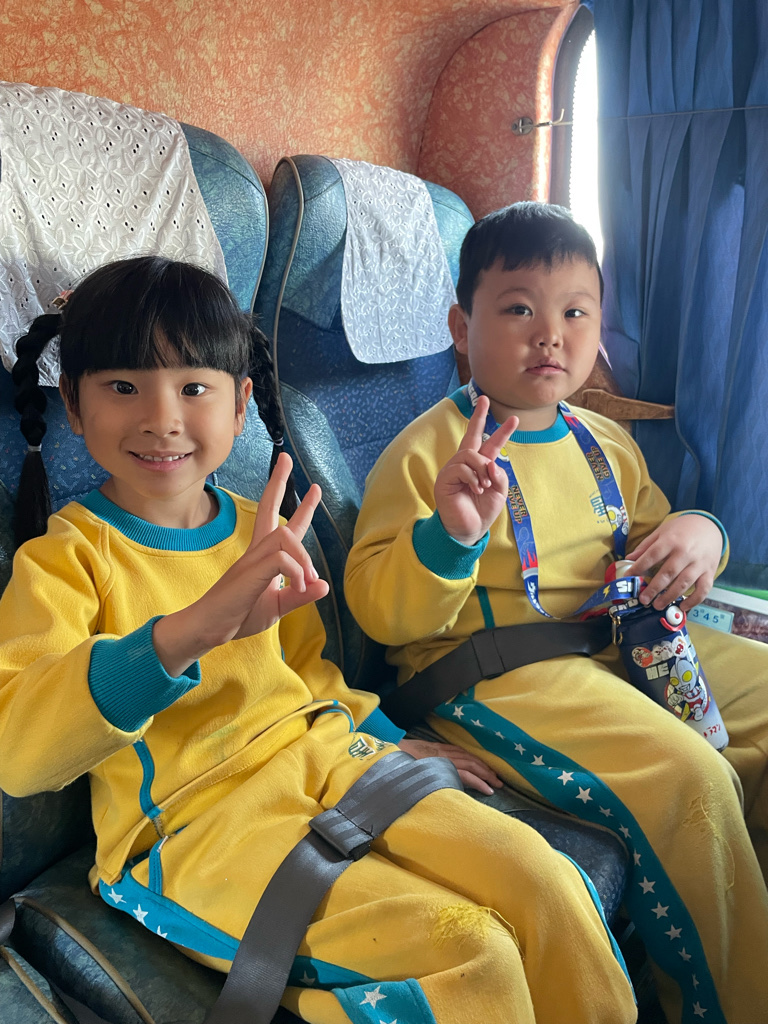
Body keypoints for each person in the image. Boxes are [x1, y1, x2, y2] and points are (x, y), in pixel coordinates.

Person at [0, 256, 637, 1024]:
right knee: (476, 952)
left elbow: (306, 674)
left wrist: (390, 738)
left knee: (550, 884)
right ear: (73, 405)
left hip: (331, 763)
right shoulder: (64, 559)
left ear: (241, 405)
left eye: (194, 388)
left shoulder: (260, 528)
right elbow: (21, 753)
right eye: (122, 388)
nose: (161, 418)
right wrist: (188, 632)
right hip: (193, 827)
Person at [344, 203, 768, 1024]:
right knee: (691, 780)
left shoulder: (603, 441)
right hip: (494, 672)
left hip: (623, 645)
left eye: (576, 312)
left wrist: (702, 533)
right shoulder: (429, 452)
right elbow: (382, 614)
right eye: (518, 309)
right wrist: (450, 539)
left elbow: (655, 538)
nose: (550, 336)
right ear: (461, 327)